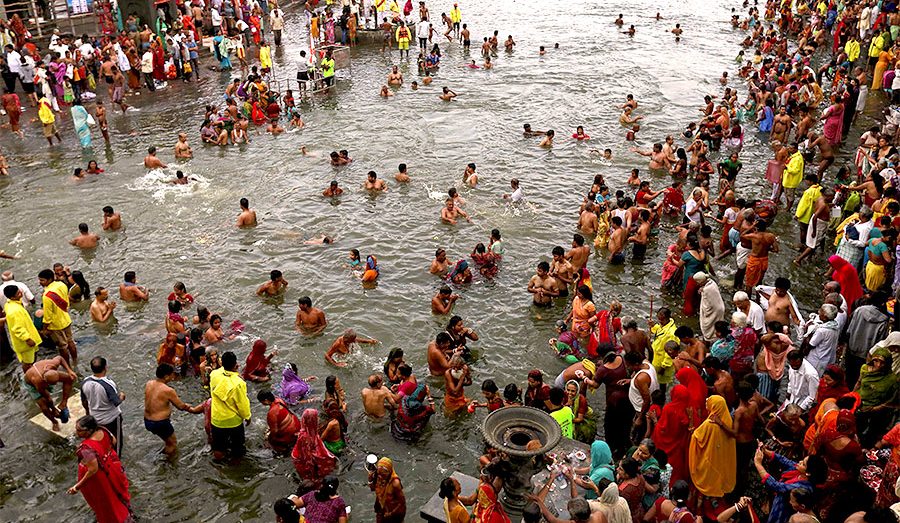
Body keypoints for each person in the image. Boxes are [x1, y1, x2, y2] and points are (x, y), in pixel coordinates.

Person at [67, 415, 133, 523]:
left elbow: (93, 469)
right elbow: (114, 441)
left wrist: (77, 487)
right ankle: (126, 513)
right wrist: (105, 456)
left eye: (79, 430)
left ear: (89, 431)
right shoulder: (103, 430)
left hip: (99, 479)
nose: (76, 432)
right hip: (112, 468)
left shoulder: (86, 448)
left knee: (106, 501)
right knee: (117, 494)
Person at [143, 363, 204, 457]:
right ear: (166, 376)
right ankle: (167, 463)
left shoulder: (149, 383)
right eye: (172, 374)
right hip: (160, 423)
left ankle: (162, 456)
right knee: (172, 444)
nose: (173, 377)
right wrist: (190, 408)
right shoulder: (168, 390)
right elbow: (180, 406)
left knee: (167, 441)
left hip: (147, 421)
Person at [753, 446, 827, 523]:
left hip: (782, 514)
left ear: (808, 473)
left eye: (803, 464)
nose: (800, 462)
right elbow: (784, 461)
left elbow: (776, 486)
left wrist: (758, 464)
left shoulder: (804, 487)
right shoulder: (799, 470)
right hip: (777, 505)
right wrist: (765, 451)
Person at [688, 395, 736, 499]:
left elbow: (696, 437)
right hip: (722, 458)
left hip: (711, 457)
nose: (707, 403)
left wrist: (691, 422)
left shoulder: (710, 424)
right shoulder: (727, 420)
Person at [209, 351, 251, 462]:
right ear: (235, 364)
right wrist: (247, 416)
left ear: (221, 362)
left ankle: (219, 465)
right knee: (237, 448)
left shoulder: (214, 374)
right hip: (233, 421)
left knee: (218, 447)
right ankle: (235, 468)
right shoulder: (238, 383)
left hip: (217, 418)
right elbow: (242, 404)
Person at [81, 357, 126, 456]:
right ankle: (117, 462)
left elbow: (84, 401)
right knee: (117, 442)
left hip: (96, 419)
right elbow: (116, 402)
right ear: (106, 367)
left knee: (102, 440)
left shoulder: (85, 382)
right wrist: (122, 396)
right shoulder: (108, 384)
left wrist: (88, 413)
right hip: (112, 419)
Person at [25, 355, 77, 432]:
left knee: (69, 379)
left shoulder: (53, 363)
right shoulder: (38, 381)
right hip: (31, 384)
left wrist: (69, 370)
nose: (55, 385)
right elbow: (47, 397)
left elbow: (60, 357)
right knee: (44, 407)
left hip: (46, 373)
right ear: (45, 381)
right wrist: (53, 409)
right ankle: (54, 422)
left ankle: (63, 403)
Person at [38, 268, 77, 363]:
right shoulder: (62, 284)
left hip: (55, 325)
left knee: (62, 346)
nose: (40, 282)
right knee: (70, 341)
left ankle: (66, 364)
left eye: (42, 280)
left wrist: (44, 329)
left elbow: (47, 316)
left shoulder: (46, 295)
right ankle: (75, 360)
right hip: (66, 318)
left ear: (50, 279)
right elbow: (66, 301)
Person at [3, 284, 41, 371]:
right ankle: (29, 378)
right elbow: (18, 328)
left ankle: (33, 374)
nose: (21, 293)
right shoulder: (14, 310)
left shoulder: (9, 304)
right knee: (28, 362)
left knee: (32, 358)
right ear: (12, 297)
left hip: (29, 335)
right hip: (25, 342)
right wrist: (27, 339)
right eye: (18, 293)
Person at [370, 457, 407, 522]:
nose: (381, 477)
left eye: (383, 475)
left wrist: (390, 513)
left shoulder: (395, 483)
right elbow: (373, 489)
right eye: (379, 474)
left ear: (389, 472)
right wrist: (370, 479)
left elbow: (402, 502)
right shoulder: (377, 476)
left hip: (394, 513)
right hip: (381, 508)